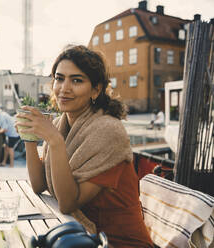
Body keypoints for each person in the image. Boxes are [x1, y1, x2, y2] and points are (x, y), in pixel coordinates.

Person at [16, 45, 153, 247]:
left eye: (77, 80)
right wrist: (29, 137)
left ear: (96, 89)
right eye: (59, 78)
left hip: (119, 243)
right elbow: (39, 184)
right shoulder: (61, 124)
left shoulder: (108, 132)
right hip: (81, 237)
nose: (64, 88)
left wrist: (54, 141)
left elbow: (68, 202)